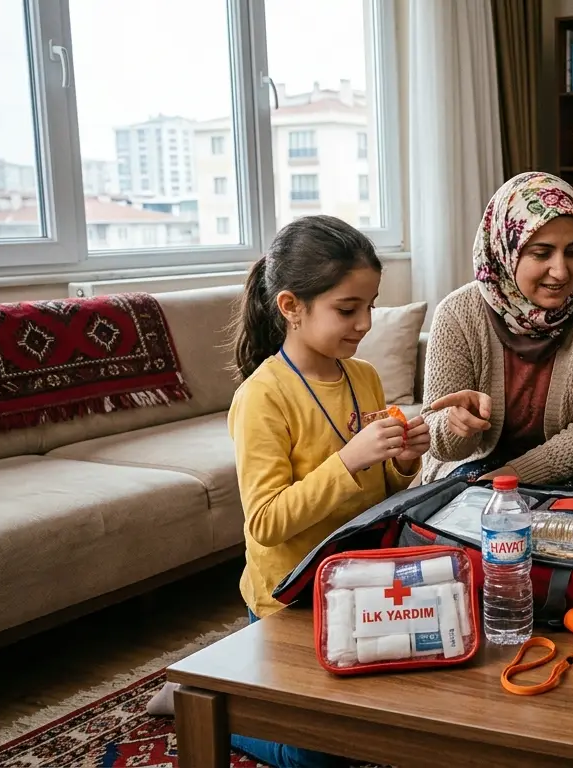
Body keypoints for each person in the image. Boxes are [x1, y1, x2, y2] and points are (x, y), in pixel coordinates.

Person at [146, 216, 433, 768]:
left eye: (371, 305)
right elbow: (266, 522)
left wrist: (401, 460)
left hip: (358, 580)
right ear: (290, 307)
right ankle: (196, 701)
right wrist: (348, 458)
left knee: (404, 710)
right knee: (320, 757)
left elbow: (381, 490)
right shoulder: (262, 398)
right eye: (348, 310)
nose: (365, 323)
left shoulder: (364, 376)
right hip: (288, 596)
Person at [419, 172, 573, 485]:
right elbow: (440, 442)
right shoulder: (456, 314)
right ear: (505, 250)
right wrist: (454, 427)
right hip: (476, 469)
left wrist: (514, 476)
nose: (561, 272)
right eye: (541, 253)